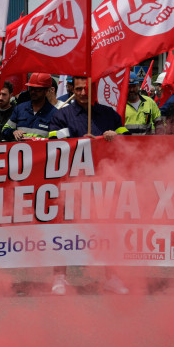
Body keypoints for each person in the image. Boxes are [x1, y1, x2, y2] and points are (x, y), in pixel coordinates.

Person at [48, 76, 130, 295]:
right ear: (73, 89)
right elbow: (53, 141)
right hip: (72, 183)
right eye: (79, 89)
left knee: (107, 229)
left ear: (94, 90)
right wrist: (78, 143)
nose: (83, 93)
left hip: (103, 183)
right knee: (64, 230)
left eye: (87, 89)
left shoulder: (110, 114)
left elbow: (128, 140)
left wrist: (116, 136)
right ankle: (60, 277)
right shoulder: (62, 115)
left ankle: (111, 277)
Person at [0, 72, 58, 142]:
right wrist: (13, 132)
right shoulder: (20, 109)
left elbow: (56, 141)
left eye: (37, 89)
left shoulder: (54, 114)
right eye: (31, 88)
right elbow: (4, 131)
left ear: (46, 91)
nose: (33, 92)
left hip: (40, 152)